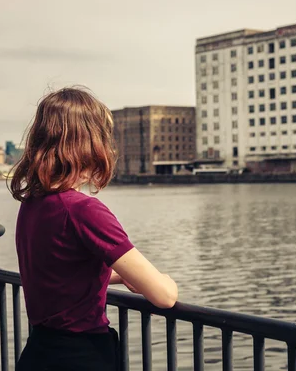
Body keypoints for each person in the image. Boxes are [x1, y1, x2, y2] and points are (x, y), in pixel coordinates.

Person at [9, 86, 178, 370]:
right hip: (80, 357)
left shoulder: (33, 205)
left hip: (39, 352)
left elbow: (58, 271)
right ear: (90, 144)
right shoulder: (83, 210)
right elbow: (163, 296)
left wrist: (113, 277)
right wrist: (167, 281)